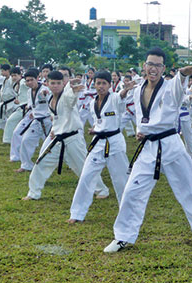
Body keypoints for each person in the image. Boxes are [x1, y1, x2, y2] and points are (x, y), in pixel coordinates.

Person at [104, 48, 192, 253]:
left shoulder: (170, 88)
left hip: (171, 145)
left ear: (163, 68)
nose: (153, 68)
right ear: (144, 66)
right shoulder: (138, 89)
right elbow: (142, 116)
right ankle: (123, 236)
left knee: (189, 188)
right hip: (148, 148)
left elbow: (178, 83)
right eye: (150, 64)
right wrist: (140, 131)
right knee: (132, 191)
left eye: (157, 65)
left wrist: (183, 73)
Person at [22, 70, 109, 200]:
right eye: (53, 83)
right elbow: (55, 116)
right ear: (47, 84)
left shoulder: (67, 96)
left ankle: (101, 189)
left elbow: (70, 99)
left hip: (73, 139)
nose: (55, 86)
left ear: (63, 84)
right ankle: (33, 193)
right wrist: (54, 129)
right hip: (57, 138)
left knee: (83, 167)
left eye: (58, 83)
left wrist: (74, 91)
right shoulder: (50, 97)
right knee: (41, 163)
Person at [68, 71, 132, 223]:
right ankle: (76, 214)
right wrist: (95, 129)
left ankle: (128, 213)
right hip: (98, 143)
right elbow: (99, 122)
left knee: (121, 180)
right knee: (86, 177)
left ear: (110, 85)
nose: (101, 86)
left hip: (114, 143)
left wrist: (126, 89)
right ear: (94, 84)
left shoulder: (115, 98)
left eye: (104, 83)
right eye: (98, 83)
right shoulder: (92, 103)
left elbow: (121, 96)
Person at [11, 69, 51, 168]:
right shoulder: (29, 91)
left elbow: (53, 103)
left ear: (37, 78)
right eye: (27, 81)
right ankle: (26, 165)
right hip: (36, 121)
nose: (29, 82)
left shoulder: (45, 90)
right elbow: (32, 104)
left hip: (48, 120)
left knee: (53, 143)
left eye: (31, 80)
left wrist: (47, 94)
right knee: (26, 140)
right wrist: (31, 110)